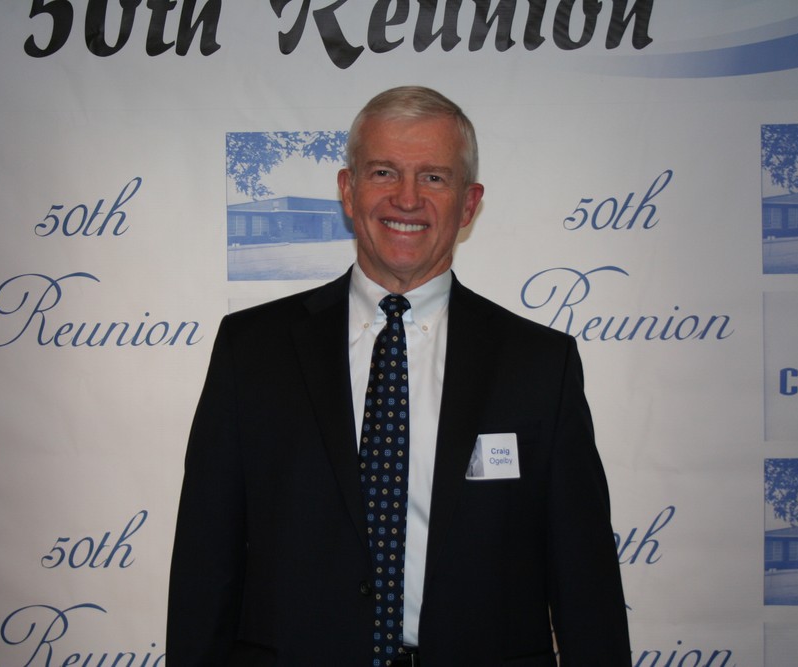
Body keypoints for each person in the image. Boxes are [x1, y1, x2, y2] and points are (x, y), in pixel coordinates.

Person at [167, 86, 631, 666]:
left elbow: (586, 583)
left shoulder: (540, 364)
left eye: (433, 177)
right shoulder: (252, 351)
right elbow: (205, 565)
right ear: (348, 190)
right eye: (384, 172)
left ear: (469, 204)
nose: (406, 199)